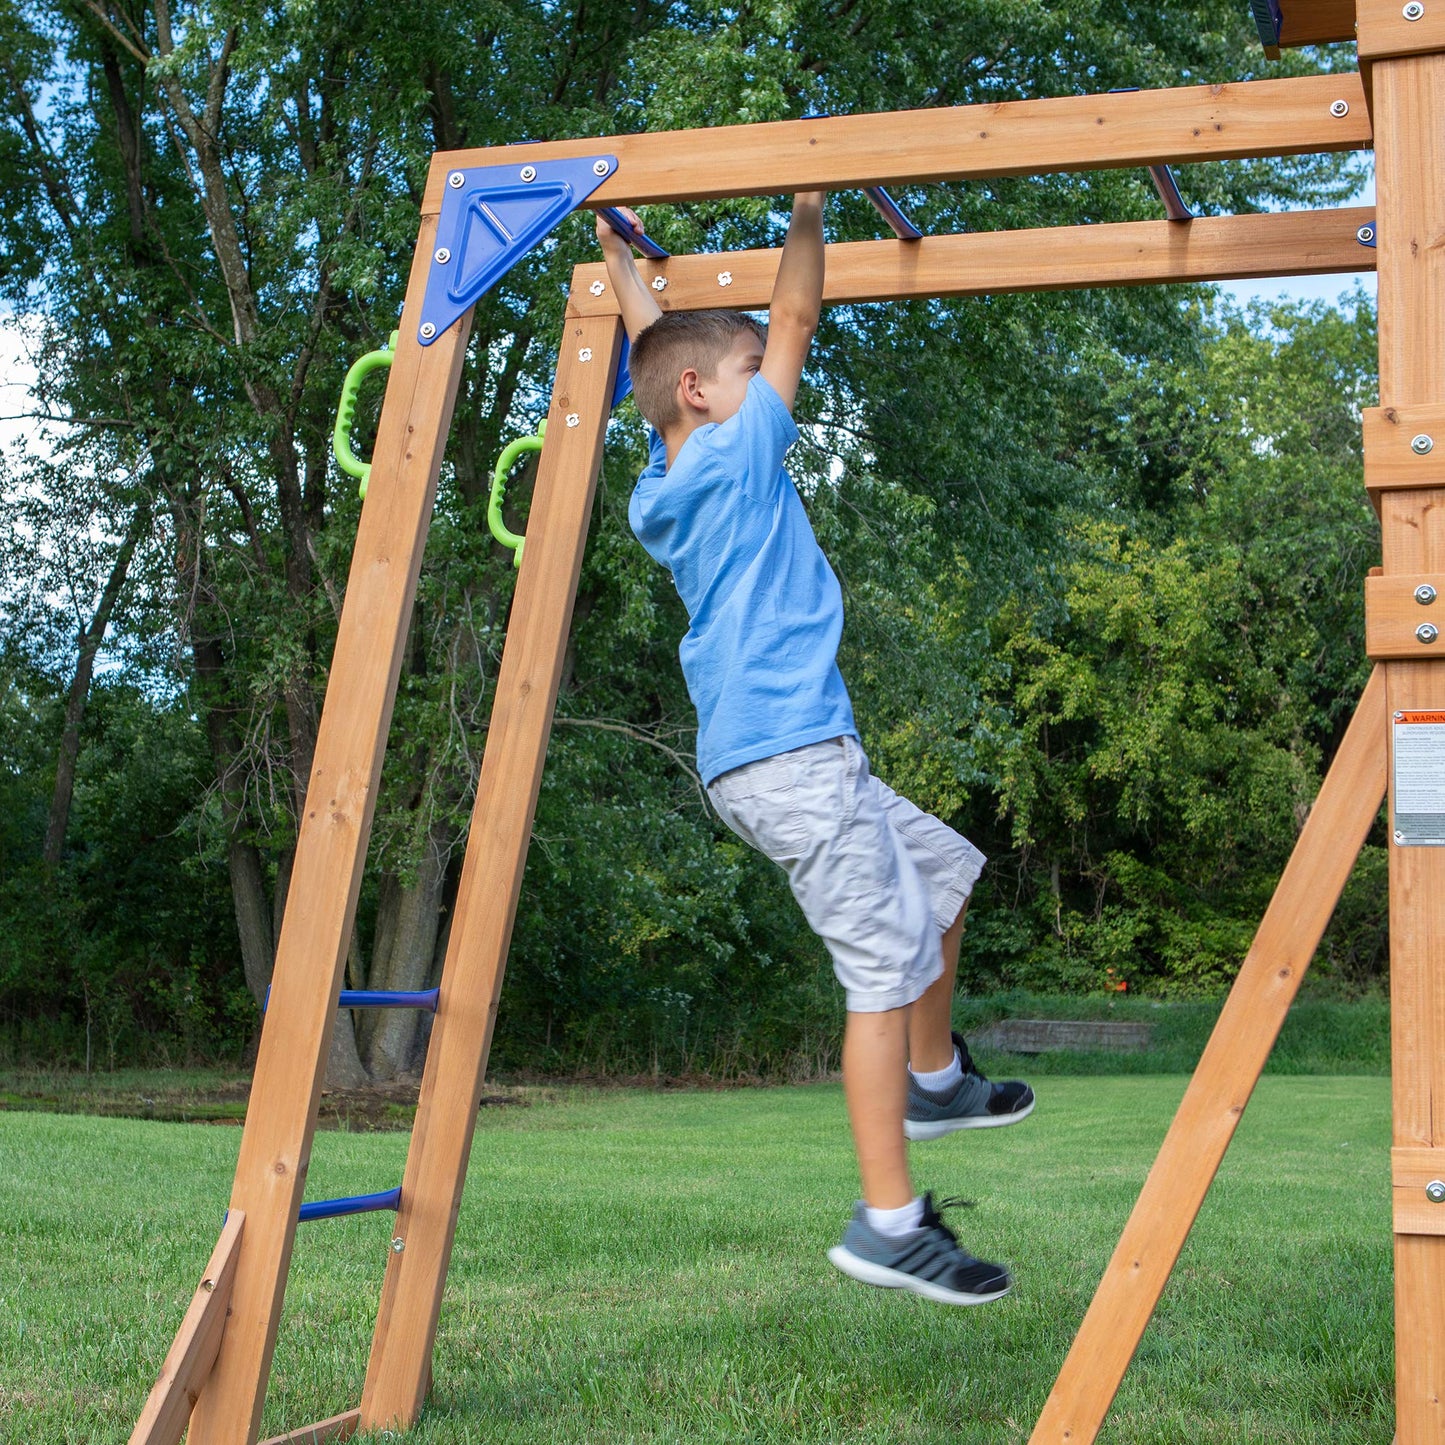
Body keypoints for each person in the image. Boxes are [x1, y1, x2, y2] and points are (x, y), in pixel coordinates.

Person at [595, 195, 1035, 1306]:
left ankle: (932, 1079)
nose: (769, 373)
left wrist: (620, 264)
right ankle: (888, 1222)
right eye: (749, 367)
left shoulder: (664, 481)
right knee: (881, 970)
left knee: (943, 874)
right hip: (790, 756)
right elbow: (790, 314)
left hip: (779, 757)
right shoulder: (738, 454)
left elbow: (663, 364)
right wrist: (805, 202)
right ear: (710, 393)